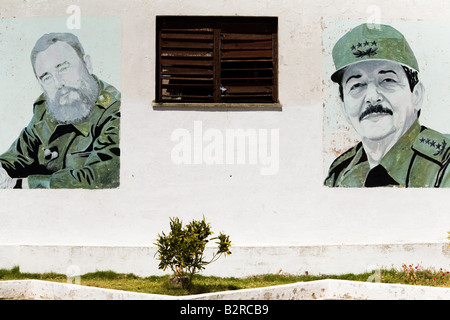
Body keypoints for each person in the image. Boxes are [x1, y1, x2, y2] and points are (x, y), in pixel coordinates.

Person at [325, 23, 450, 187]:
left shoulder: (444, 167)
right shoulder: (339, 175)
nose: (372, 97)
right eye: (357, 85)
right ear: (343, 107)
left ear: (416, 95)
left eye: (387, 80)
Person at [0, 32, 120, 189]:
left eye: (64, 68)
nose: (58, 83)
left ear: (87, 64)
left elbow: (97, 179)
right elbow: (16, 157)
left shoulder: (115, 112)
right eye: (47, 77)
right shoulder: (46, 111)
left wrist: (20, 184)